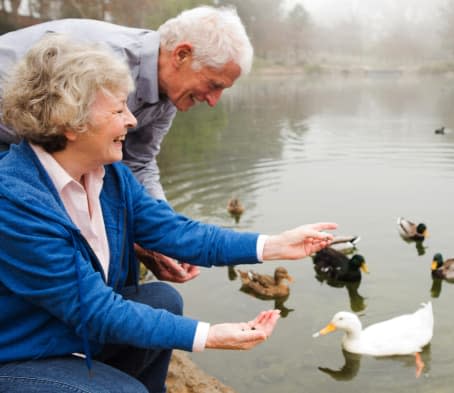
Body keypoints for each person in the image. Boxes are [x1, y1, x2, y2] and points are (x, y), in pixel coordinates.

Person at [0, 34, 336, 393]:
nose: (131, 120)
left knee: (163, 300)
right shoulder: (15, 201)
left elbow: (177, 233)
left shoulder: (110, 176)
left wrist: (274, 245)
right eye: (117, 110)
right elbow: (97, 311)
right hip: (19, 353)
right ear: (70, 121)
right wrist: (209, 335)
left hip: (63, 328)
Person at [0, 5, 253, 281]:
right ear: (182, 54)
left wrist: (168, 238)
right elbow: (52, 155)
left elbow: (140, 162)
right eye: (214, 85)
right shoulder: (102, 65)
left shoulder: (169, 92)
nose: (213, 101)